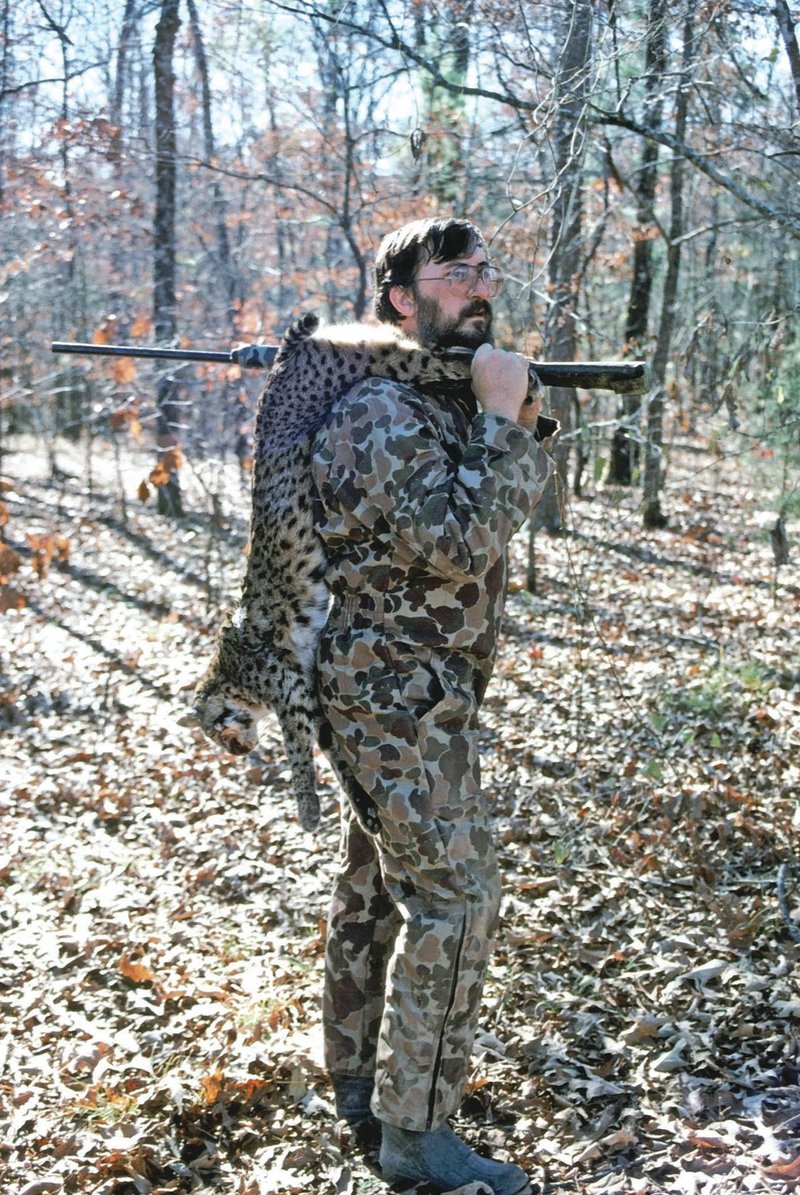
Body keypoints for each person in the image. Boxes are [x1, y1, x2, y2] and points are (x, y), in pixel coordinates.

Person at [310, 217, 552, 1195]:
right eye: (454, 272)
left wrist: (518, 415)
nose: (479, 285)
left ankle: (365, 1091)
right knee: (453, 901)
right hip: (393, 700)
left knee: (379, 889)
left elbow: (509, 492)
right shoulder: (377, 410)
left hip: (415, 693)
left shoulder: (434, 395)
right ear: (401, 298)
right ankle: (417, 1138)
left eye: (484, 269)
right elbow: (462, 542)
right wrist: (503, 419)